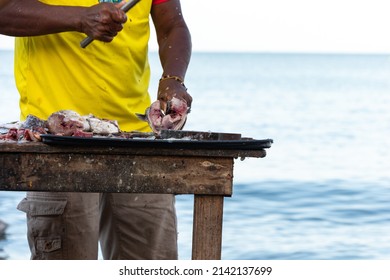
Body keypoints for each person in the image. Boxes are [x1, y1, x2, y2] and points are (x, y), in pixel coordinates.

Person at [0, 0, 192, 260]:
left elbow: (172, 25)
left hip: (135, 138)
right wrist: (79, 19)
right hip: (57, 139)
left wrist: (173, 79)